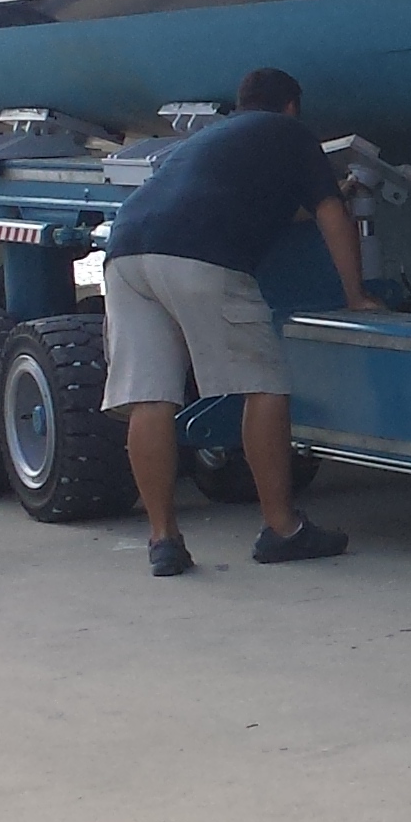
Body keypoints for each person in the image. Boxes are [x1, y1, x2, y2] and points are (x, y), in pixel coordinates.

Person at [101, 67, 377, 576]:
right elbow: (331, 215)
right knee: (263, 386)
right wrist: (356, 296)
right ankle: (282, 529)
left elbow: (256, 205)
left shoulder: (208, 140)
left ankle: (164, 540)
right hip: (200, 258)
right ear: (292, 106)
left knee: (151, 396)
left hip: (126, 254)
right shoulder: (292, 133)